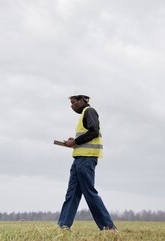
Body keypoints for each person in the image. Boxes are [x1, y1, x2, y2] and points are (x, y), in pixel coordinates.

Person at [57, 94, 118, 232]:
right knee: (72, 194)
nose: (71, 106)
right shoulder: (84, 114)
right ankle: (63, 226)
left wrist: (75, 142)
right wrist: (74, 141)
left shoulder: (89, 111)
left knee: (89, 193)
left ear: (81, 100)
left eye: (73, 102)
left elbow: (94, 132)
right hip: (79, 159)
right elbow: (87, 135)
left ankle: (108, 227)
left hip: (86, 159)